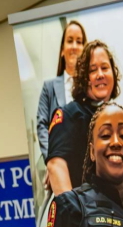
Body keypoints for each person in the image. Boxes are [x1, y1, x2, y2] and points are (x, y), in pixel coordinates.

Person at [46, 39, 121, 196]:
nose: (100, 75)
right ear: (83, 77)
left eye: (105, 68)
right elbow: (55, 166)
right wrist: (74, 210)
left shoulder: (116, 119)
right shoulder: (69, 115)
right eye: (93, 70)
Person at [36, 20, 88, 160]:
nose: (74, 46)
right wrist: (52, 160)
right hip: (59, 163)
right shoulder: (48, 88)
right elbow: (42, 126)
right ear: (62, 50)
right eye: (70, 41)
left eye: (79, 42)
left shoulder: (90, 88)